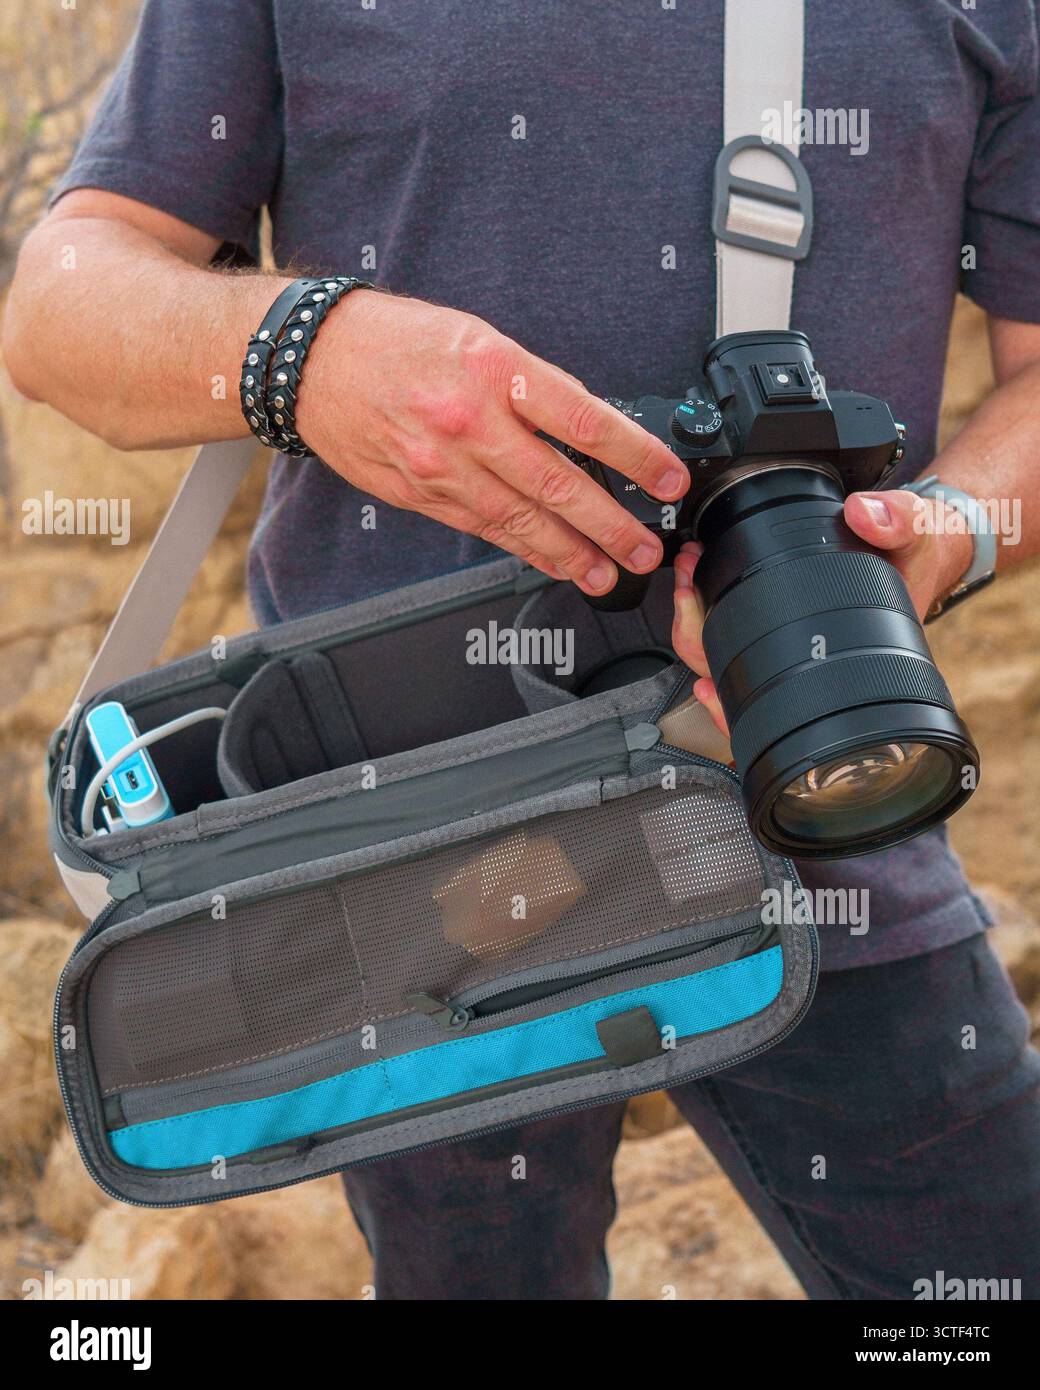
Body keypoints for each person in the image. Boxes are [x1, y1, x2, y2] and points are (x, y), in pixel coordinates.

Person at [5, 1, 1040, 1300]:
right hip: (417, 861)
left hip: (817, 783)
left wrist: (933, 533)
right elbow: (57, 306)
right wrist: (304, 351)